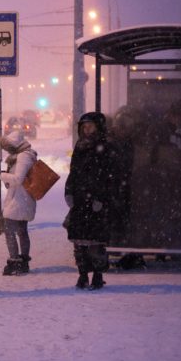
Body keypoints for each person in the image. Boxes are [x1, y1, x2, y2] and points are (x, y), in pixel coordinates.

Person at [65, 112, 121, 290]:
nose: (86, 129)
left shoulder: (106, 146)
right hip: (80, 201)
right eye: (84, 126)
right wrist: (69, 192)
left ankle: (98, 274)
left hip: (97, 202)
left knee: (96, 242)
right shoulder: (80, 145)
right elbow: (73, 172)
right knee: (79, 241)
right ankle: (82, 275)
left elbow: (110, 176)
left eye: (90, 126)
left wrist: (102, 198)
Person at [0, 130, 38, 275]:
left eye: (9, 147)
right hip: (22, 198)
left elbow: (18, 179)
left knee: (10, 231)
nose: (7, 150)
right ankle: (22, 262)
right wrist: (5, 177)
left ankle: (15, 262)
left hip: (19, 200)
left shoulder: (23, 157)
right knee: (22, 231)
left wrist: (0, 175)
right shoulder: (23, 155)